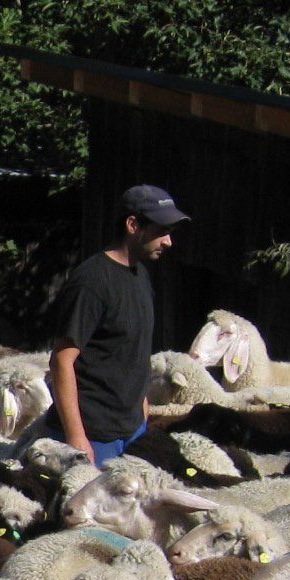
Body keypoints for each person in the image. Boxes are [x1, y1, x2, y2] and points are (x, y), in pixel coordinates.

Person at [45, 183, 191, 464]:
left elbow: (132, 351)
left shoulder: (141, 277)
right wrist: (76, 437)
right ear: (133, 224)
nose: (168, 242)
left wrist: (142, 409)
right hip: (94, 435)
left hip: (132, 430)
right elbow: (62, 360)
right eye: (162, 231)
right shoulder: (91, 281)